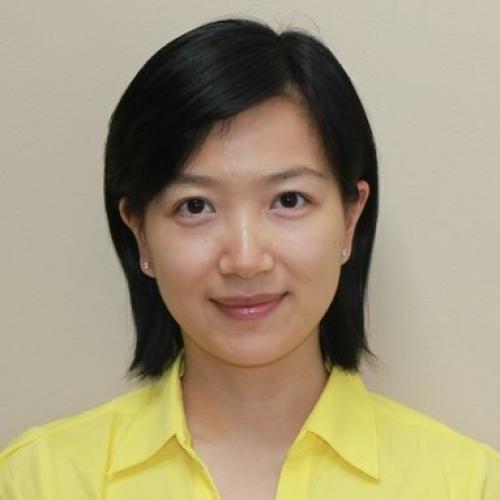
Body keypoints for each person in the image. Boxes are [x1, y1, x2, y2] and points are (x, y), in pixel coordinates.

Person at [1, 16, 499, 500]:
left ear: (350, 218)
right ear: (140, 235)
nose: (244, 259)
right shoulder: (38, 482)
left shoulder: (467, 485)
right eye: (195, 206)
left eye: (289, 200)